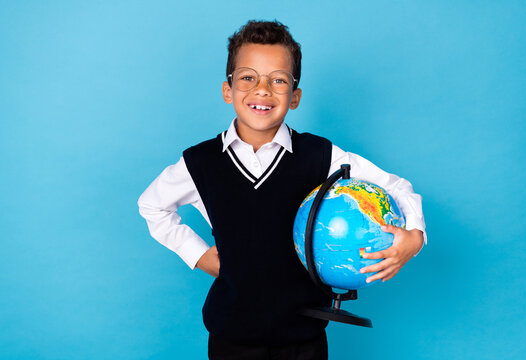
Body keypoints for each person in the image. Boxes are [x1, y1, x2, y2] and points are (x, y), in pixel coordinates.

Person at [138, 19, 427, 360]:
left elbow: (396, 186)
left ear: (295, 97)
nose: (262, 90)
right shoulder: (201, 162)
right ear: (227, 90)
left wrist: (415, 237)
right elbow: (152, 206)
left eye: (278, 80)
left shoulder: (321, 156)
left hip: (304, 339)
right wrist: (198, 255)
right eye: (248, 78)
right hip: (232, 338)